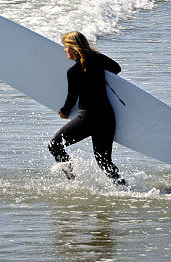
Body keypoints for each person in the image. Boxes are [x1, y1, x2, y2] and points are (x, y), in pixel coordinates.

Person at [48, 31, 126, 185]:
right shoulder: (98, 60)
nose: (64, 50)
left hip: (87, 119)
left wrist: (64, 111)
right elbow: (116, 68)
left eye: (66, 47)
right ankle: (124, 189)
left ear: (74, 48)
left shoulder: (73, 72)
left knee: (54, 145)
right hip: (106, 118)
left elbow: (71, 99)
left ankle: (73, 180)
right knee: (104, 162)